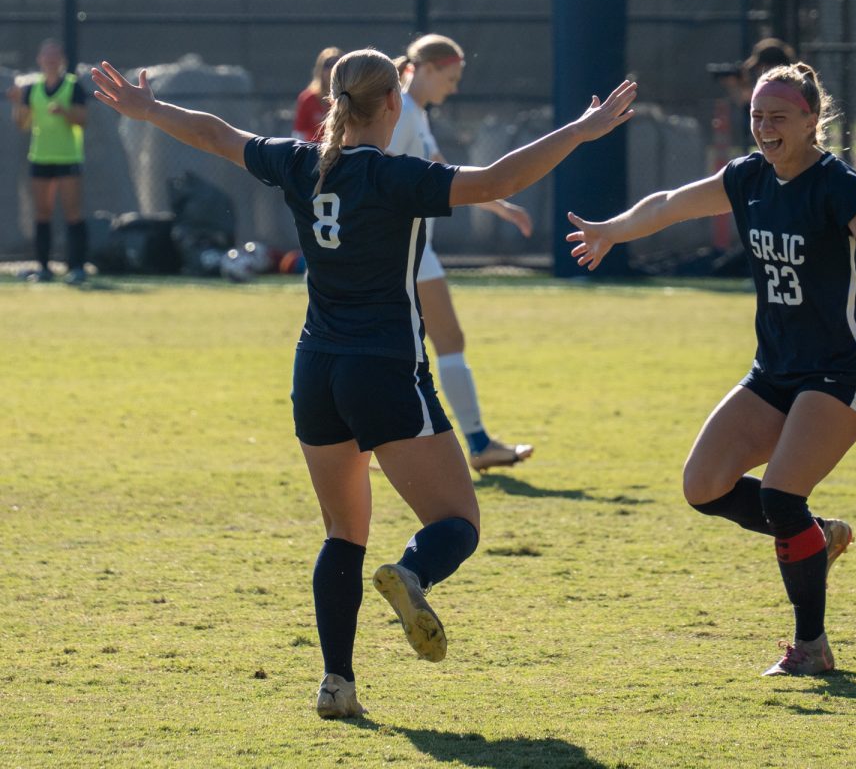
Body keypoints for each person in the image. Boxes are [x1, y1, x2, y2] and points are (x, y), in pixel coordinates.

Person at [91, 50, 636, 717]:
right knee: (457, 521)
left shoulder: (299, 163)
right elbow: (500, 176)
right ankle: (410, 573)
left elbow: (214, 134)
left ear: (333, 103)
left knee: (343, 533)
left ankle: (336, 684)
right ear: (391, 104)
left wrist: (147, 110)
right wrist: (580, 130)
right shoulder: (391, 177)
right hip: (382, 367)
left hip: (314, 368)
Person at [566, 61, 856, 677]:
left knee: (779, 494)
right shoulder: (747, 177)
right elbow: (668, 203)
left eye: (778, 117)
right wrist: (612, 230)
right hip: (775, 369)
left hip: (839, 371)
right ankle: (819, 537)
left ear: (811, 120)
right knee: (704, 485)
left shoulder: (837, 185)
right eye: (757, 116)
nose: (764, 127)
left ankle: (811, 648)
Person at [388, 34, 536, 472]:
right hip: (398, 252)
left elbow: (446, 175)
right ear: (427, 69)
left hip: (416, 250)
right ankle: (459, 443)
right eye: (449, 78)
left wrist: (501, 205)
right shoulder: (400, 112)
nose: (453, 87)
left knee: (444, 341)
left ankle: (475, 443)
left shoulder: (414, 113)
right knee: (406, 350)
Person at [6, 39, 89, 284]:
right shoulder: (32, 89)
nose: (51, 60)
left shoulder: (73, 87)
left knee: (73, 212)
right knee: (42, 213)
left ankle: (77, 267)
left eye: (55, 56)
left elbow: (82, 121)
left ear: (61, 60)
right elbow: (22, 124)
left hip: (68, 157)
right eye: (46, 56)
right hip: (40, 157)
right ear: (39, 60)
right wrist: (17, 103)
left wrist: (64, 113)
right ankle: (43, 267)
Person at [292, 47, 342, 142]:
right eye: (328, 65)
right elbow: (299, 133)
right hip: (313, 151)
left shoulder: (348, 97)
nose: (331, 69)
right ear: (320, 70)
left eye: (336, 65)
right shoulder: (307, 98)